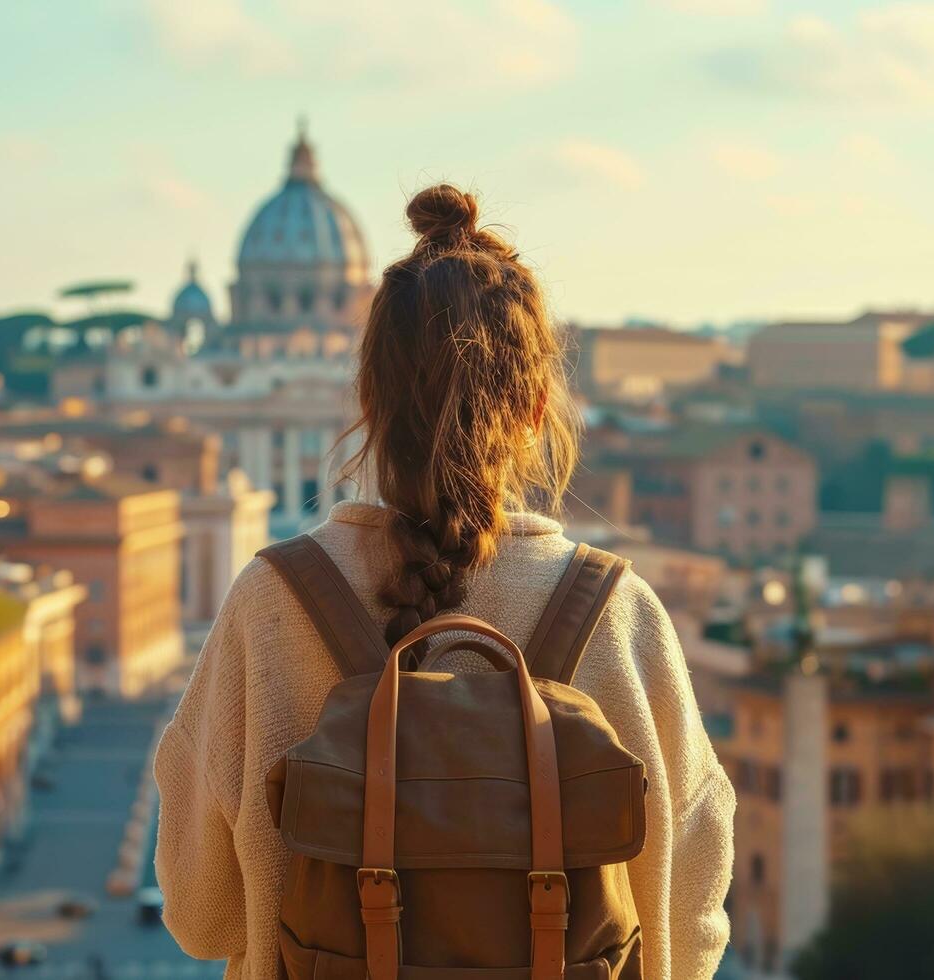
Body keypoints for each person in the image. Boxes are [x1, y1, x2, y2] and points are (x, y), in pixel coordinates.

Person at [153, 184, 735, 978]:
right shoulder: (620, 614)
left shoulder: (270, 604)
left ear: (367, 400)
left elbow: (199, 913)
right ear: (536, 410)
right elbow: (688, 929)